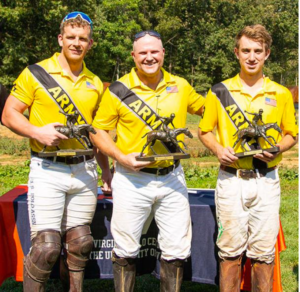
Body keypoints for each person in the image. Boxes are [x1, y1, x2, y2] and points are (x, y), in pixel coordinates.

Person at [2, 11, 112, 292]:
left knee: (80, 244)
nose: (77, 43)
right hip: (48, 168)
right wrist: (37, 132)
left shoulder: (95, 82)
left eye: (83, 39)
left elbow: (96, 132)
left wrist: (107, 171)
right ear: (61, 39)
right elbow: (9, 114)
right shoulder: (35, 73)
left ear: (90, 44)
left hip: (84, 170)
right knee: (46, 248)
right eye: (71, 37)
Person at [90, 30, 205, 292]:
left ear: (163, 54)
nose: (149, 57)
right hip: (132, 179)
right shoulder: (118, 89)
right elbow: (97, 132)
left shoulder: (181, 85)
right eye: (143, 52)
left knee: (176, 248)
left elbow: (209, 110)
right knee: (125, 248)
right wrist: (119, 157)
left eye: (155, 51)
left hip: (172, 177)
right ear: (133, 56)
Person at [198, 24, 298, 292]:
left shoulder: (280, 93)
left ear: (267, 54)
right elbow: (204, 131)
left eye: (257, 51)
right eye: (246, 51)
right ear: (236, 53)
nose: (251, 56)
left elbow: (291, 134)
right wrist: (218, 150)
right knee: (230, 251)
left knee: (264, 252)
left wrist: (278, 148)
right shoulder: (220, 91)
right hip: (232, 180)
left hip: (267, 181)